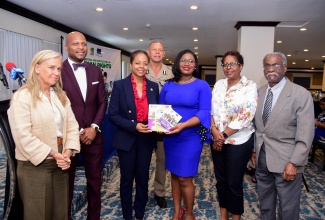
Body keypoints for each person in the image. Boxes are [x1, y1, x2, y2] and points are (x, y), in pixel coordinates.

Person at [7, 50, 80, 219]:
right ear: (37, 67)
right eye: (51, 68)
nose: (56, 73)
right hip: (35, 165)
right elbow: (23, 136)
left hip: (61, 162)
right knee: (38, 214)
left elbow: (72, 126)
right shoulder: (22, 97)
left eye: (59, 69)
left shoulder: (60, 96)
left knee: (60, 212)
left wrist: (67, 152)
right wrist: (53, 153)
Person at [251, 52, 314, 220]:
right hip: (262, 160)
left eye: (276, 65)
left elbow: (306, 134)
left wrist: (294, 162)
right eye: (267, 66)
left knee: (287, 209)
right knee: (265, 205)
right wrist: (254, 151)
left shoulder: (300, 94)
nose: (271, 69)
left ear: (285, 67)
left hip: (287, 161)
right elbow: (257, 127)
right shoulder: (260, 92)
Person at [160, 49, 211, 220]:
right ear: (177, 63)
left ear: (195, 65)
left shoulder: (202, 85)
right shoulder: (167, 85)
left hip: (191, 136)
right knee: (174, 174)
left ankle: (189, 214)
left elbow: (204, 112)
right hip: (171, 137)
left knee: (184, 177)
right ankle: (177, 211)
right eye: (183, 60)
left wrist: (183, 125)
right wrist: (162, 125)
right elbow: (161, 110)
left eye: (191, 61)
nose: (187, 64)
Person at [108, 50, 159, 220]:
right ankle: (127, 214)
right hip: (127, 136)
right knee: (127, 178)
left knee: (143, 177)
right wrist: (133, 126)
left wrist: (158, 124)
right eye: (138, 62)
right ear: (131, 65)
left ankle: (139, 212)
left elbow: (156, 112)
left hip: (146, 137)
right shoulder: (119, 85)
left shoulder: (153, 86)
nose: (141, 66)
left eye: (145, 63)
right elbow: (113, 115)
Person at [61, 31, 107, 220]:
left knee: (95, 182)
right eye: (75, 44)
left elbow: (102, 102)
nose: (80, 48)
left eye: (83, 44)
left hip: (93, 136)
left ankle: (93, 217)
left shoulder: (95, 70)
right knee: (66, 183)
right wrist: (75, 131)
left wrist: (94, 127)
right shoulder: (58, 71)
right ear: (67, 47)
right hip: (67, 137)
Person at [210, 50, 257, 220]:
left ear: (241, 66)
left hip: (239, 140)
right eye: (225, 64)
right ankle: (224, 214)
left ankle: (236, 216)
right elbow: (211, 111)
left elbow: (246, 115)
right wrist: (214, 131)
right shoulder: (219, 85)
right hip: (217, 138)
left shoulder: (249, 86)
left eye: (233, 64)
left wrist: (222, 135)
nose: (228, 67)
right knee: (221, 181)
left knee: (233, 183)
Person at [146, 41, 174, 208]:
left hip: (163, 123)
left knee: (162, 161)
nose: (157, 53)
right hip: (144, 124)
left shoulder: (170, 73)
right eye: (154, 50)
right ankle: (141, 191)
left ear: (164, 53)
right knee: (142, 160)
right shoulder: (141, 69)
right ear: (149, 52)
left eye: (160, 50)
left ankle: (159, 192)